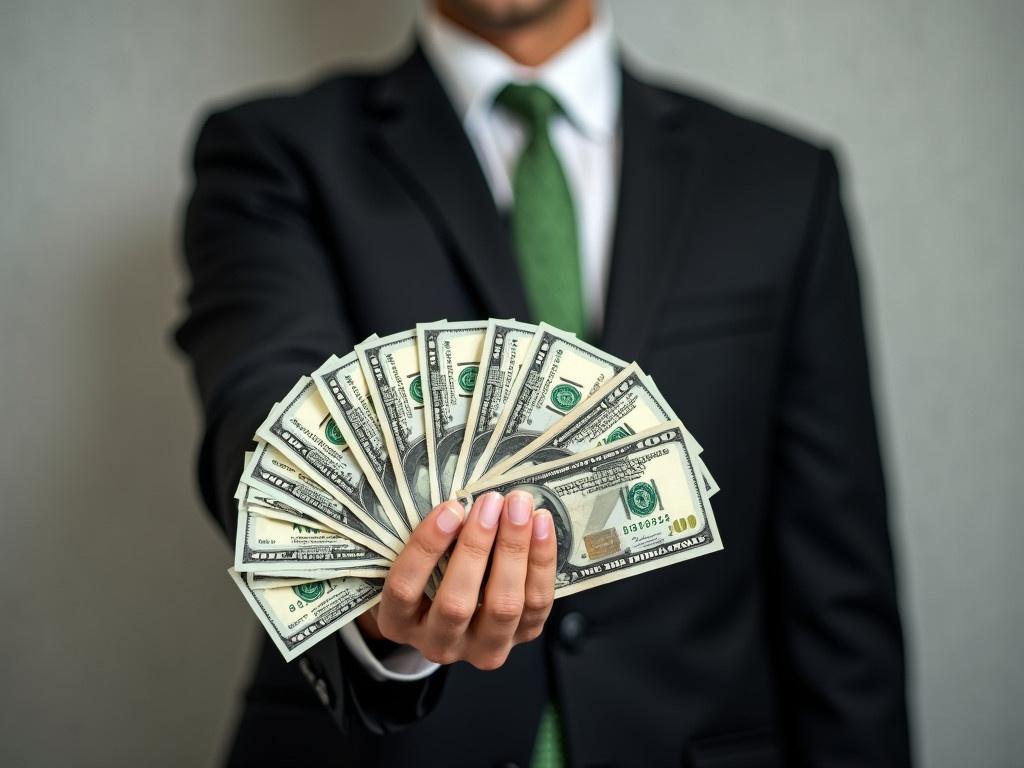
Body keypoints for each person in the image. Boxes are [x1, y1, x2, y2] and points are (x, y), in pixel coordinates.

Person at [175, 0, 912, 765]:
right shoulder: (273, 153)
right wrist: (370, 608)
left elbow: (838, 581)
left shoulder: (779, 182)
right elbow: (266, 417)